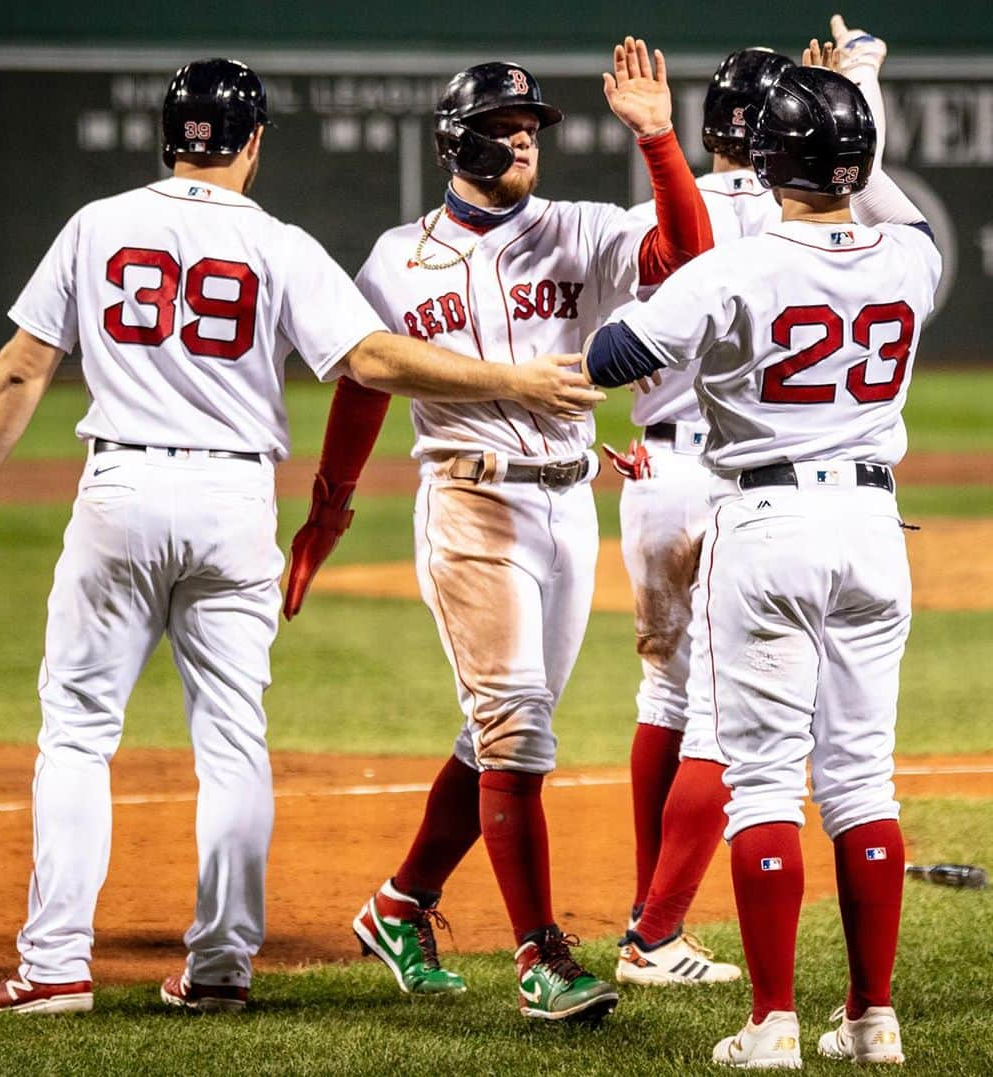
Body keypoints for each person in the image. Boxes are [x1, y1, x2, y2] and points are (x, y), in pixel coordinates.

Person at [0, 58, 603, 1017]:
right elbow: (369, 359)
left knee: (78, 735)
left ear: (168, 138)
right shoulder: (276, 243)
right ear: (251, 142)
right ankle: (220, 967)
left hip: (120, 486)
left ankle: (54, 968)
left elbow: (21, 364)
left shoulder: (96, 224)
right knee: (233, 744)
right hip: (232, 500)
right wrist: (517, 382)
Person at [283, 39, 713, 1021]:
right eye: (501, 129)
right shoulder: (398, 257)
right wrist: (330, 507)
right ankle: (541, 957)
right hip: (471, 498)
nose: (521, 144)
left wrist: (656, 139)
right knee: (516, 721)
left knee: (504, 736)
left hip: (568, 503)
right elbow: (364, 382)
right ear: (454, 141)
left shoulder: (583, 229)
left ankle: (401, 903)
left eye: (530, 130)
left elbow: (687, 255)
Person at [584, 46, 939, 1066]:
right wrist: (860, 95)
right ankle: (874, 1018)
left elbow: (617, 358)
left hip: (768, 527)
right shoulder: (911, 257)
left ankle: (772, 1021)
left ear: (766, 156)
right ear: (861, 156)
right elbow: (885, 197)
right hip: (876, 529)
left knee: (765, 783)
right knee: (865, 782)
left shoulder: (737, 265)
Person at [607, 45, 794, 988]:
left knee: (665, 698)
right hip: (737, 477)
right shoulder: (798, 216)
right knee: (731, 714)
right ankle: (655, 930)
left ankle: (649, 911)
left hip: (651, 467)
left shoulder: (650, 215)